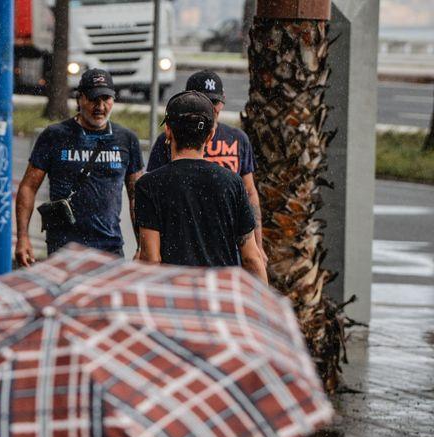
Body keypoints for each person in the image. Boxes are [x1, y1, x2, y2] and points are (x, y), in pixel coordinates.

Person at [134, 91, 268, 283]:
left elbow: (151, 259)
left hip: (175, 301)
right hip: (219, 299)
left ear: (169, 132)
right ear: (210, 135)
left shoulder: (149, 185)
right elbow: (251, 258)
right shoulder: (231, 183)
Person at [14, 68, 144, 265]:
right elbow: (28, 187)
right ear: (79, 99)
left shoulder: (126, 139)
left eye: (106, 99)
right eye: (93, 99)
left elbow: (137, 196)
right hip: (63, 249)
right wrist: (22, 237)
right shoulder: (54, 136)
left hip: (109, 248)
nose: (100, 106)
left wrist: (142, 246)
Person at [146, 70, 264, 254]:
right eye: (203, 101)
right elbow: (153, 194)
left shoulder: (238, 139)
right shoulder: (169, 140)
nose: (210, 108)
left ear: (223, 101)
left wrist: (258, 246)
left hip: (228, 243)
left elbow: (250, 192)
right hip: (181, 241)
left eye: (214, 102)